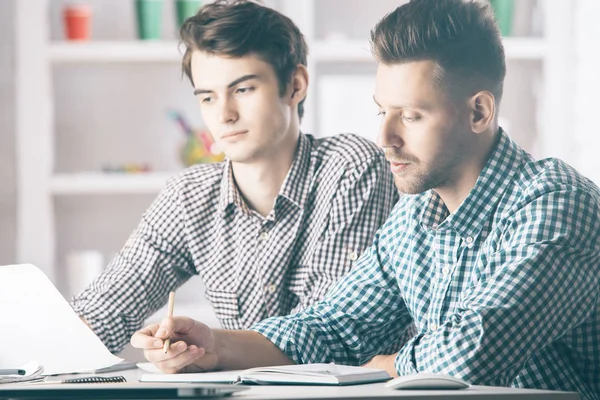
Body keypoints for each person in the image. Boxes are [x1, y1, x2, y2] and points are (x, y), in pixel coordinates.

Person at [131, 0, 600, 398]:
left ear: (479, 111)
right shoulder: (415, 215)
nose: (385, 137)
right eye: (382, 111)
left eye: (411, 116)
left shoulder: (557, 204)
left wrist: (386, 364)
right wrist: (215, 346)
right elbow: (335, 328)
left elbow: (469, 357)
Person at [72, 0, 398, 354]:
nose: (224, 115)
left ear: (295, 85)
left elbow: (330, 331)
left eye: (243, 90)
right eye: (208, 98)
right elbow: (104, 308)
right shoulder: (189, 196)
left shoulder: (350, 168)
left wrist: (214, 349)